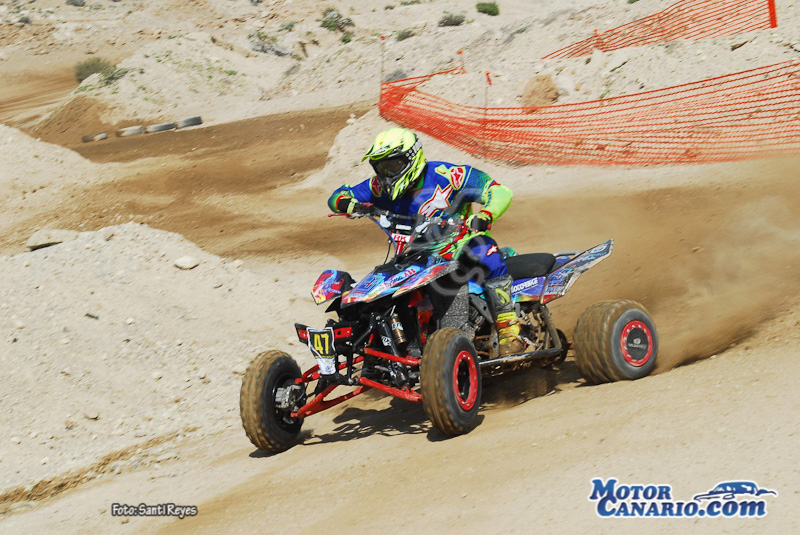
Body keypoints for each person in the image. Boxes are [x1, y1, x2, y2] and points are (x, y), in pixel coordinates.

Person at [328, 127, 524, 356]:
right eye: (380, 167)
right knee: (382, 290)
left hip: (458, 246)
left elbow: (498, 191)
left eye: (392, 165)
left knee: (484, 249)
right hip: (417, 256)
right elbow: (337, 196)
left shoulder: (448, 175)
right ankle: (398, 347)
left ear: (411, 158)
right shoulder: (378, 188)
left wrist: (486, 214)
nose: (386, 174)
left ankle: (509, 330)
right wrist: (352, 205)